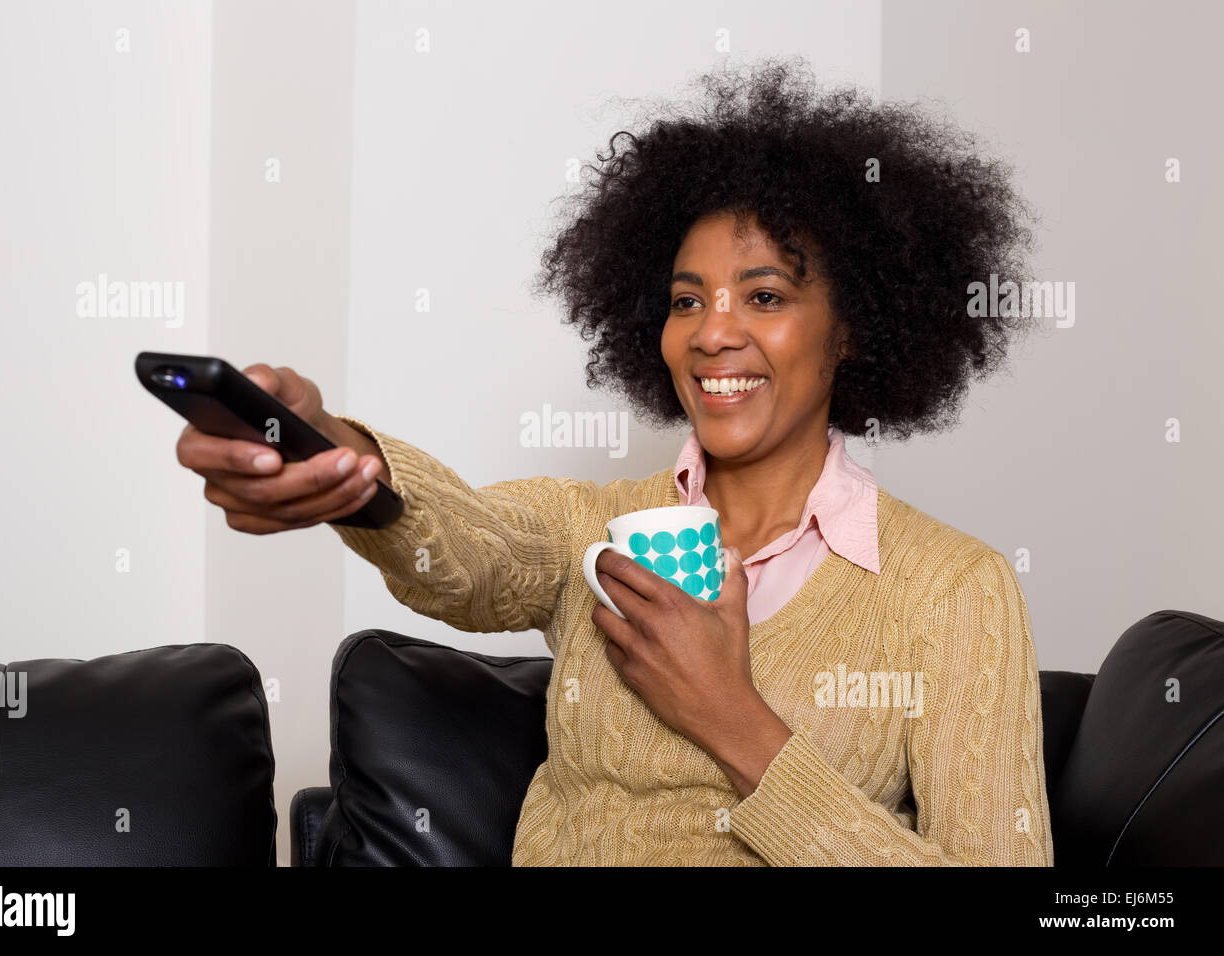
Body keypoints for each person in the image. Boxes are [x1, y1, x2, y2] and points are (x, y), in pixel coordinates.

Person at [176, 57, 1052, 866]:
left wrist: (737, 722)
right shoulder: (592, 532)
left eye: (765, 295)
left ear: (856, 328)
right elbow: (469, 549)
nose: (712, 331)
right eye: (685, 300)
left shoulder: (953, 590)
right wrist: (345, 464)